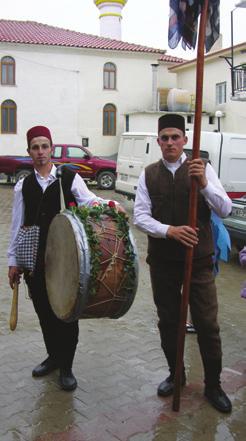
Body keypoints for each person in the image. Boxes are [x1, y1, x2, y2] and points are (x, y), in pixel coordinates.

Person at [8, 125, 122, 392]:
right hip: (36, 261)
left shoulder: (69, 177)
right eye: (35, 147)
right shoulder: (23, 186)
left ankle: (67, 366)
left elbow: (88, 201)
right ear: (29, 152)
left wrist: (110, 206)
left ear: (51, 148)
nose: (40, 152)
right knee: (45, 314)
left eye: (44, 146)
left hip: (69, 261)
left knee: (67, 313)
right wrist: (13, 262)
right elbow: (15, 226)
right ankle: (54, 357)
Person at [133, 114, 232, 413]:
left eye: (175, 137)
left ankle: (213, 385)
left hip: (199, 262)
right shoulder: (148, 174)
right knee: (169, 323)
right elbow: (140, 216)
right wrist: (170, 231)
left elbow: (224, 209)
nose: (170, 143)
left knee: (207, 325)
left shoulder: (202, 168)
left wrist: (203, 183)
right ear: (158, 142)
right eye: (164, 138)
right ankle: (176, 375)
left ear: (185, 140)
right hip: (163, 262)